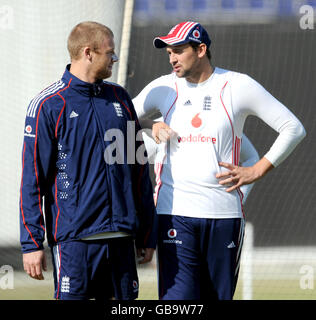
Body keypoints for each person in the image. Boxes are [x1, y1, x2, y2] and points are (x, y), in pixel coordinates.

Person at [132, 21, 306, 300]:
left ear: (201, 49)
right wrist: (149, 124)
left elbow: (293, 127)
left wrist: (257, 170)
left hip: (224, 217)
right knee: (177, 301)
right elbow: (119, 115)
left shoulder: (237, 85)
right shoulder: (162, 87)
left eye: (178, 50)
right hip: (174, 214)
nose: (172, 58)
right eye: (168, 53)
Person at [19, 21, 157, 300]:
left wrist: (146, 234)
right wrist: (31, 243)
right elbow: (32, 181)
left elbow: (138, 171)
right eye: (110, 52)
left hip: (121, 240)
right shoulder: (48, 104)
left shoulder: (120, 98)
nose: (114, 59)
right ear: (88, 53)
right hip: (75, 242)